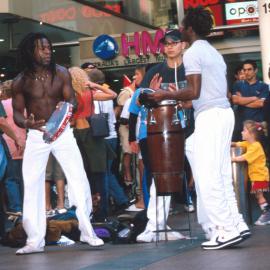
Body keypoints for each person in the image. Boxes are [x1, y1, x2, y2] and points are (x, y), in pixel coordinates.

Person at [148, 7, 250, 250]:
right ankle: (236, 223)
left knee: (207, 175)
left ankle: (224, 230)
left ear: (190, 29)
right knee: (217, 168)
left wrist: (162, 94)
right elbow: (208, 92)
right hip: (223, 114)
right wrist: (182, 99)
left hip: (211, 117)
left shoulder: (193, 54)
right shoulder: (213, 52)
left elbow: (193, 91)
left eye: (183, 26)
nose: (181, 29)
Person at [12, 32, 104, 255]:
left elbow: (71, 98)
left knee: (78, 177)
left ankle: (87, 232)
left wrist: (64, 107)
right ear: (29, 51)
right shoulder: (20, 81)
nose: (47, 51)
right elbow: (16, 114)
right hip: (37, 135)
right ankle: (34, 240)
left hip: (63, 132)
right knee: (32, 183)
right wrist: (28, 123)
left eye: (48, 47)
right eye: (41, 48)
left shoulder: (62, 73)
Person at [133, 29, 187, 243]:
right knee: (161, 179)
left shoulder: (191, 69)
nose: (170, 46)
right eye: (166, 43)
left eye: (174, 42)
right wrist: (150, 94)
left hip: (191, 128)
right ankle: (155, 226)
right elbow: (139, 102)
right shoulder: (156, 70)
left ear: (183, 44)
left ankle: (215, 224)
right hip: (164, 134)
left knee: (201, 176)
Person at [69, 66, 117, 221]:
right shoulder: (89, 92)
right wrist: (95, 85)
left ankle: (89, 210)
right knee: (100, 174)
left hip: (78, 134)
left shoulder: (70, 95)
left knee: (84, 175)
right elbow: (113, 94)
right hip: (93, 134)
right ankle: (101, 211)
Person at [232, 120, 270, 225]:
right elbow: (238, 143)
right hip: (256, 176)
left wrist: (232, 159)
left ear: (251, 134)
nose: (241, 132)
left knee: (260, 196)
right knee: (259, 196)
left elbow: (245, 157)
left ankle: (266, 214)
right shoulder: (249, 144)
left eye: (244, 130)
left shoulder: (256, 146)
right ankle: (266, 213)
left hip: (260, 176)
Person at [231, 59, 269, 141]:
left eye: (249, 69)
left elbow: (260, 104)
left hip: (257, 127)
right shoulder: (238, 84)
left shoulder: (264, 86)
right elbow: (235, 100)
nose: (246, 72)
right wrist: (254, 98)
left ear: (255, 70)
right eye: (244, 70)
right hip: (241, 128)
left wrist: (242, 100)